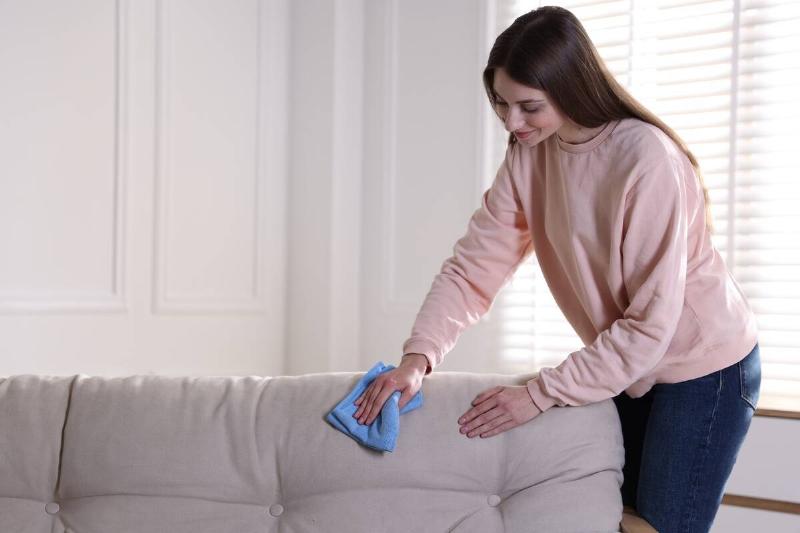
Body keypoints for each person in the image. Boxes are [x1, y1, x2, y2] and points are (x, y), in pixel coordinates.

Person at [352, 6, 761, 532]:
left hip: (705, 367)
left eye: (528, 106)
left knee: (657, 527)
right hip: (630, 362)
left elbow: (651, 325)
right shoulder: (531, 153)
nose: (511, 123)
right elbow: (473, 267)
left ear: (570, 87)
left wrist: (540, 394)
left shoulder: (646, 160)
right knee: (613, 518)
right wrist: (417, 358)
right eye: (502, 104)